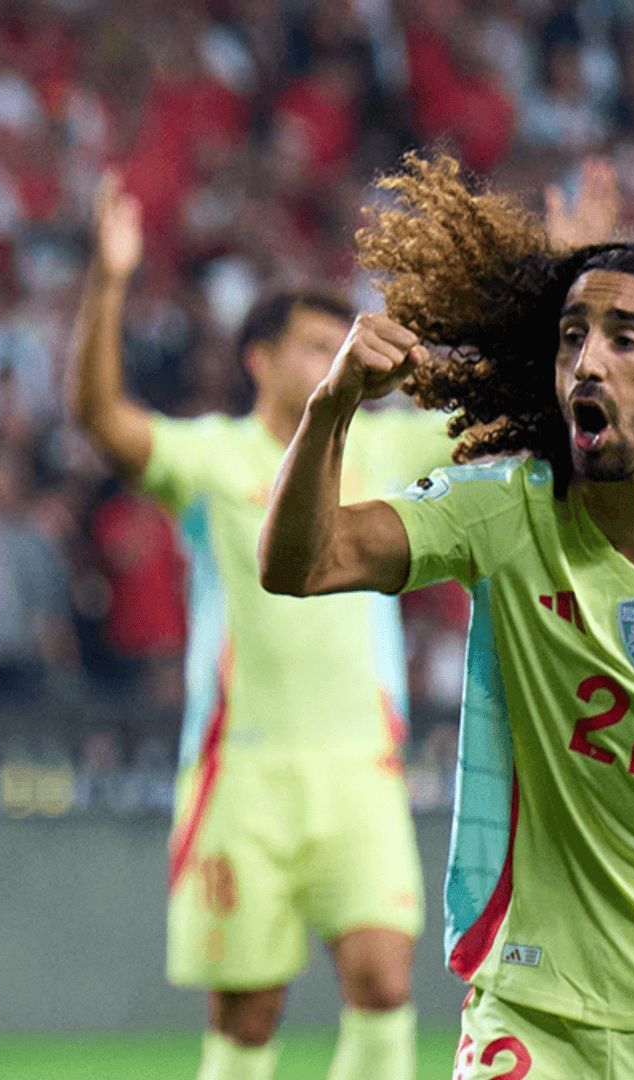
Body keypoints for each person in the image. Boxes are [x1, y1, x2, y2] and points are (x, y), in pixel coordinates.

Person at [259, 153, 634, 1077]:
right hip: (537, 1003)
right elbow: (300, 563)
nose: (588, 361)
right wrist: (330, 408)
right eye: (571, 338)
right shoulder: (503, 510)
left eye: (627, 339)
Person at [69, 172, 451, 1080]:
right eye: (316, 344)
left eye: (342, 341)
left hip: (361, 763)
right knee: (248, 1014)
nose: (336, 358)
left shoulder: (390, 447)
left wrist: (569, 266)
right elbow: (100, 419)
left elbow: (505, 414)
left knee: (384, 978)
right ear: (260, 360)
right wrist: (109, 281)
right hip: (243, 770)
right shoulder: (212, 459)